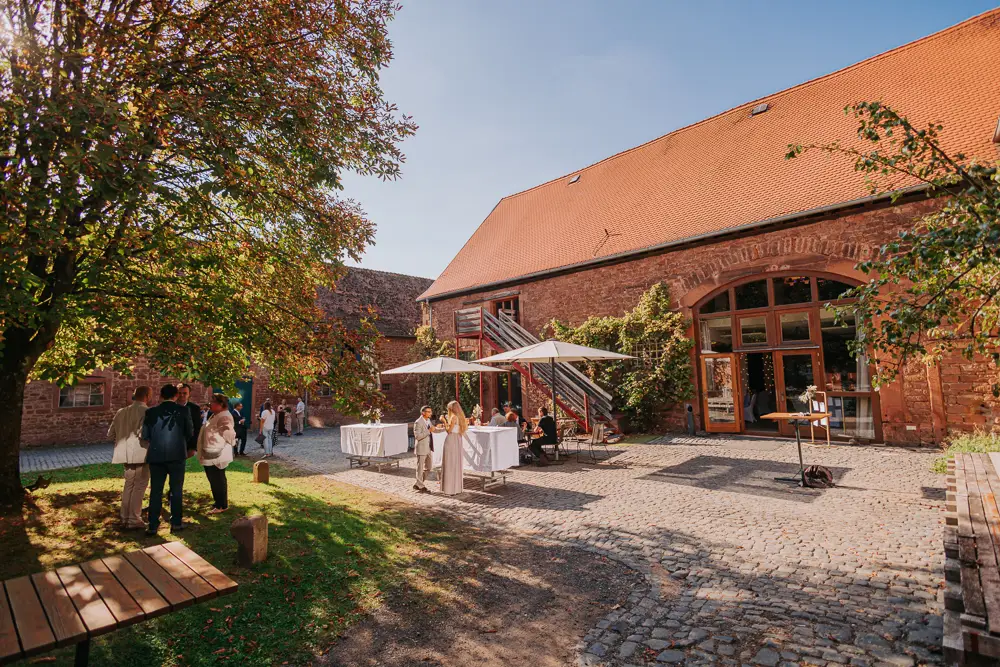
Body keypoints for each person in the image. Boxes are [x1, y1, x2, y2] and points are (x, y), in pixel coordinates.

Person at [142, 384, 195, 534]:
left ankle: (152, 525)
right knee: (176, 490)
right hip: (177, 455)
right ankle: (176, 522)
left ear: (161, 396)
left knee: (156, 490)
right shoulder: (184, 410)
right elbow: (189, 432)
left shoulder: (151, 412)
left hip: (156, 455)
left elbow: (145, 435)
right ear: (176, 396)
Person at [109, 385, 151, 530]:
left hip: (125, 454)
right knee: (139, 487)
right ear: (147, 396)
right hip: (141, 453)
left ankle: (125, 517)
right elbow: (145, 434)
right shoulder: (147, 411)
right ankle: (134, 519)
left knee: (129, 485)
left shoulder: (121, 412)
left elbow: (110, 433)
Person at [198, 393, 235, 514]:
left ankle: (221, 505)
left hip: (217, 454)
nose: (210, 404)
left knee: (217, 479)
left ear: (221, 404)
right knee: (214, 479)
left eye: (212, 402)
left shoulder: (224, 416)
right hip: (211, 452)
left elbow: (228, 434)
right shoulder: (216, 414)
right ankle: (218, 502)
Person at [412, 406, 442, 493]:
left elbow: (434, 430)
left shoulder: (428, 420)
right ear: (423, 413)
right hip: (421, 448)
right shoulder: (418, 422)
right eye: (428, 412)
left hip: (428, 448)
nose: (430, 413)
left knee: (428, 467)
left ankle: (418, 483)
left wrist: (444, 429)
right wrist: (429, 431)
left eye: (430, 411)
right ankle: (421, 486)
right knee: (420, 468)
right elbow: (418, 436)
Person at [441, 400, 467, 495]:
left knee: (450, 462)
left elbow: (449, 430)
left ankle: (449, 489)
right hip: (458, 439)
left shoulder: (453, 417)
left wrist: (444, 421)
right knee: (456, 462)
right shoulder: (460, 417)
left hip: (451, 439)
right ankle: (456, 488)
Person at [176, 383, 203, 452]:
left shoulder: (195, 408)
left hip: (188, 445)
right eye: (179, 393)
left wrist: (193, 448)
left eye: (184, 393)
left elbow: (197, 428)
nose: (182, 395)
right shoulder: (170, 406)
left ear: (189, 394)